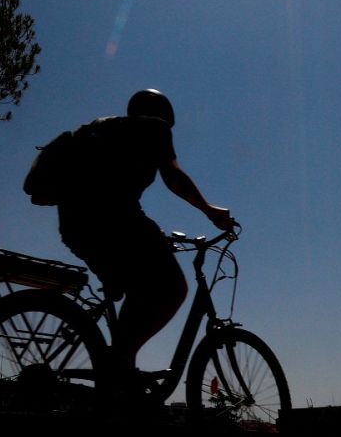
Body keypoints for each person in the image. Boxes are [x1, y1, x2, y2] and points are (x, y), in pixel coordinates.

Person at [55, 89, 234, 377]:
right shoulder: (155, 127)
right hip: (114, 219)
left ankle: (120, 370)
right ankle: (119, 362)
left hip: (76, 226)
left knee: (140, 289)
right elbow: (173, 176)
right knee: (174, 288)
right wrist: (210, 210)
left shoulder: (105, 128)